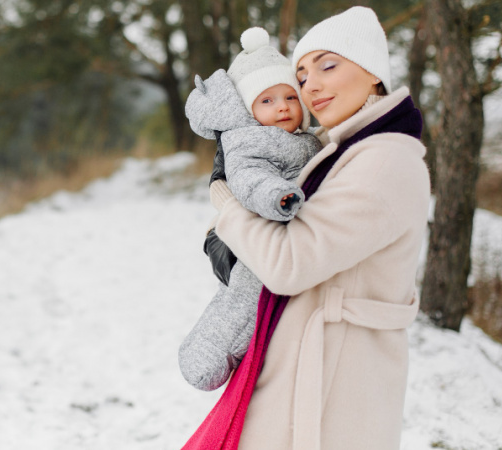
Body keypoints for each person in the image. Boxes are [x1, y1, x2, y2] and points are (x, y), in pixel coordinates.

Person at [182, 6, 430, 450]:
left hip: (336, 380)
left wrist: (229, 207)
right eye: (301, 73)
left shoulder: (384, 160)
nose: (309, 84)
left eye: (327, 65)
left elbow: (288, 263)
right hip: (307, 363)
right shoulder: (341, 148)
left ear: (373, 72)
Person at [179, 27, 321, 392]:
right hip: (257, 227)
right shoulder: (247, 141)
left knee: (258, 303)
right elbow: (250, 179)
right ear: (249, 109)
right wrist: (278, 197)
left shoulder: (306, 139)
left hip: (276, 234)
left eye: (290, 97)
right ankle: (210, 351)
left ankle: (243, 354)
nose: (283, 107)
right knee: (244, 298)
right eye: (267, 101)